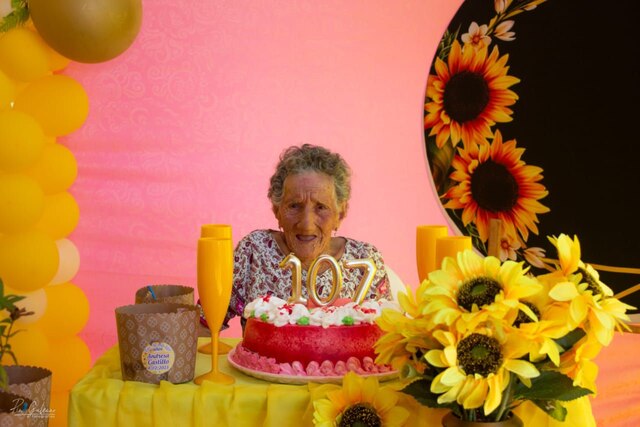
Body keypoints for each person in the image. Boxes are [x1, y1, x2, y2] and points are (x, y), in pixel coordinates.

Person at [200, 144, 390, 330]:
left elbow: (387, 340)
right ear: (277, 210)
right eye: (294, 206)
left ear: (340, 213)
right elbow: (204, 323)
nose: (306, 224)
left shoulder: (364, 260)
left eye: (321, 207)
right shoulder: (254, 252)